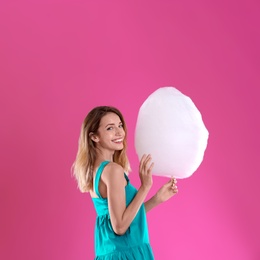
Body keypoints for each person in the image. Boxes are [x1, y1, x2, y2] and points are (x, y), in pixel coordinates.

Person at [72, 106, 178, 259]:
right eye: (110, 128)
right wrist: (145, 187)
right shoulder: (112, 170)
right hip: (127, 253)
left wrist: (156, 199)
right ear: (94, 137)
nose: (119, 132)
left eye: (120, 125)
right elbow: (120, 227)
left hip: (112, 253)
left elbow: (123, 216)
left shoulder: (95, 171)